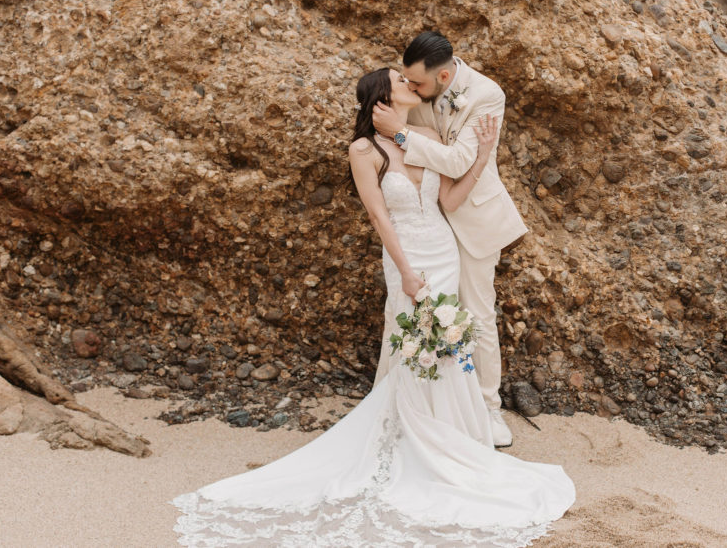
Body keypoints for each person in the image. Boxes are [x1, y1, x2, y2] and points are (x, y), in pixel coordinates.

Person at [170, 68, 574, 547]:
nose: (409, 81)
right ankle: (409, 438)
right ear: (382, 96)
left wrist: (483, 154)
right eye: (399, 79)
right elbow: (380, 216)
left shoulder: (422, 135)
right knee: (410, 342)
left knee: (447, 341)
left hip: (443, 252)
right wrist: (403, 269)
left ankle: (457, 437)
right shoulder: (363, 151)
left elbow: (448, 199)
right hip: (406, 257)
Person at [372, 31, 526, 448]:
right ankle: (423, 406)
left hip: (473, 215)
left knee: (476, 312)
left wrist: (402, 135)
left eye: (418, 84)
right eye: (406, 81)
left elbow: (460, 161)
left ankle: (487, 407)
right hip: (428, 221)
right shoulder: (413, 90)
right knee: (420, 313)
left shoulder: (486, 94)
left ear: (443, 76)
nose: (411, 89)